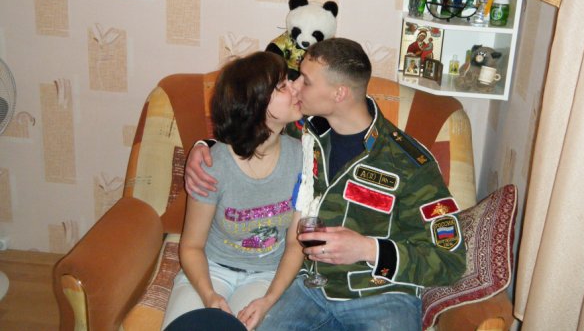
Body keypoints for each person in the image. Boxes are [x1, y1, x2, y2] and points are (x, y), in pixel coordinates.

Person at [185, 38, 466, 330]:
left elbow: (451, 261)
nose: (294, 87)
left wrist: (368, 249)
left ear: (339, 93)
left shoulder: (409, 163)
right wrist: (203, 147)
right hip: (310, 288)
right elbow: (250, 128)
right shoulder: (302, 131)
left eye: (305, 81)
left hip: (381, 295)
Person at [162, 51, 305, 331]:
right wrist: (209, 295)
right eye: (282, 85)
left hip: (266, 275)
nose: (295, 88)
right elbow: (191, 246)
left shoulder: (301, 157)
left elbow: (294, 244)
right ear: (255, 104)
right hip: (210, 270)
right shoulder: (214, 165)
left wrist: (269, 300)